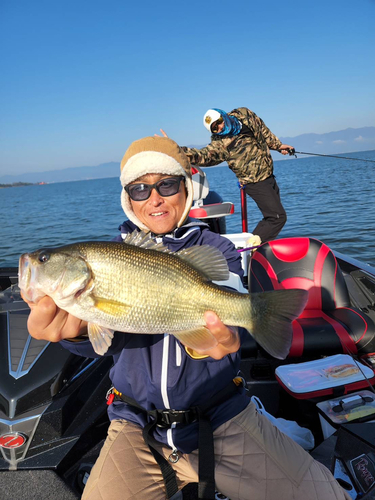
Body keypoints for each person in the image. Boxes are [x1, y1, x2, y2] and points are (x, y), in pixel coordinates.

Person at [23, 136, 350, 500]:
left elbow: (229, 315)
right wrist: (76, 335)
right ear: (128, 199)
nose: (155, 198)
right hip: (136, 427)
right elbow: (99, 341)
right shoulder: (108, 259)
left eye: (167, 184)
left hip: (223, 416)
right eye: (140, 189)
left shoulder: (215, 249)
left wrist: (228, 339)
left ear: (186, 187)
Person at [178, 107, 294, 248]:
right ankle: (248, 249)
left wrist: (278, 146)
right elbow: (204, 155)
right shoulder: (221, 143)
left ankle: (258, 248)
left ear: (223, 115)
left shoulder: (243, 114)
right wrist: (179, 152)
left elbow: (262, 130)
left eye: (219, 122)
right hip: (254, 182)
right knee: (277, 217)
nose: (220, 128)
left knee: (273, 216)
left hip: (268, 174)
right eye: (215, 128)